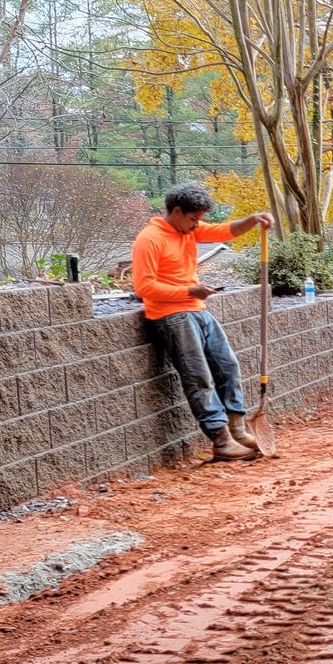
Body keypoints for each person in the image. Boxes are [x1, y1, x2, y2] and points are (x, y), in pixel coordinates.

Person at [132, 183, 274, 461]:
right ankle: (221, 441)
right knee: (199, 376)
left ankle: (238, 429)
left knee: (227, 365)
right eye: (193, 218)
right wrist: (187, 291)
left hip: (197, 309)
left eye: (200, 219)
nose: (198, 225)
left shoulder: (188, 229)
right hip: (171, 315)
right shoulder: (150, 239)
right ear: (176, 211)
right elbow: (144, 287)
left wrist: (253, 219)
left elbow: (223, 230)